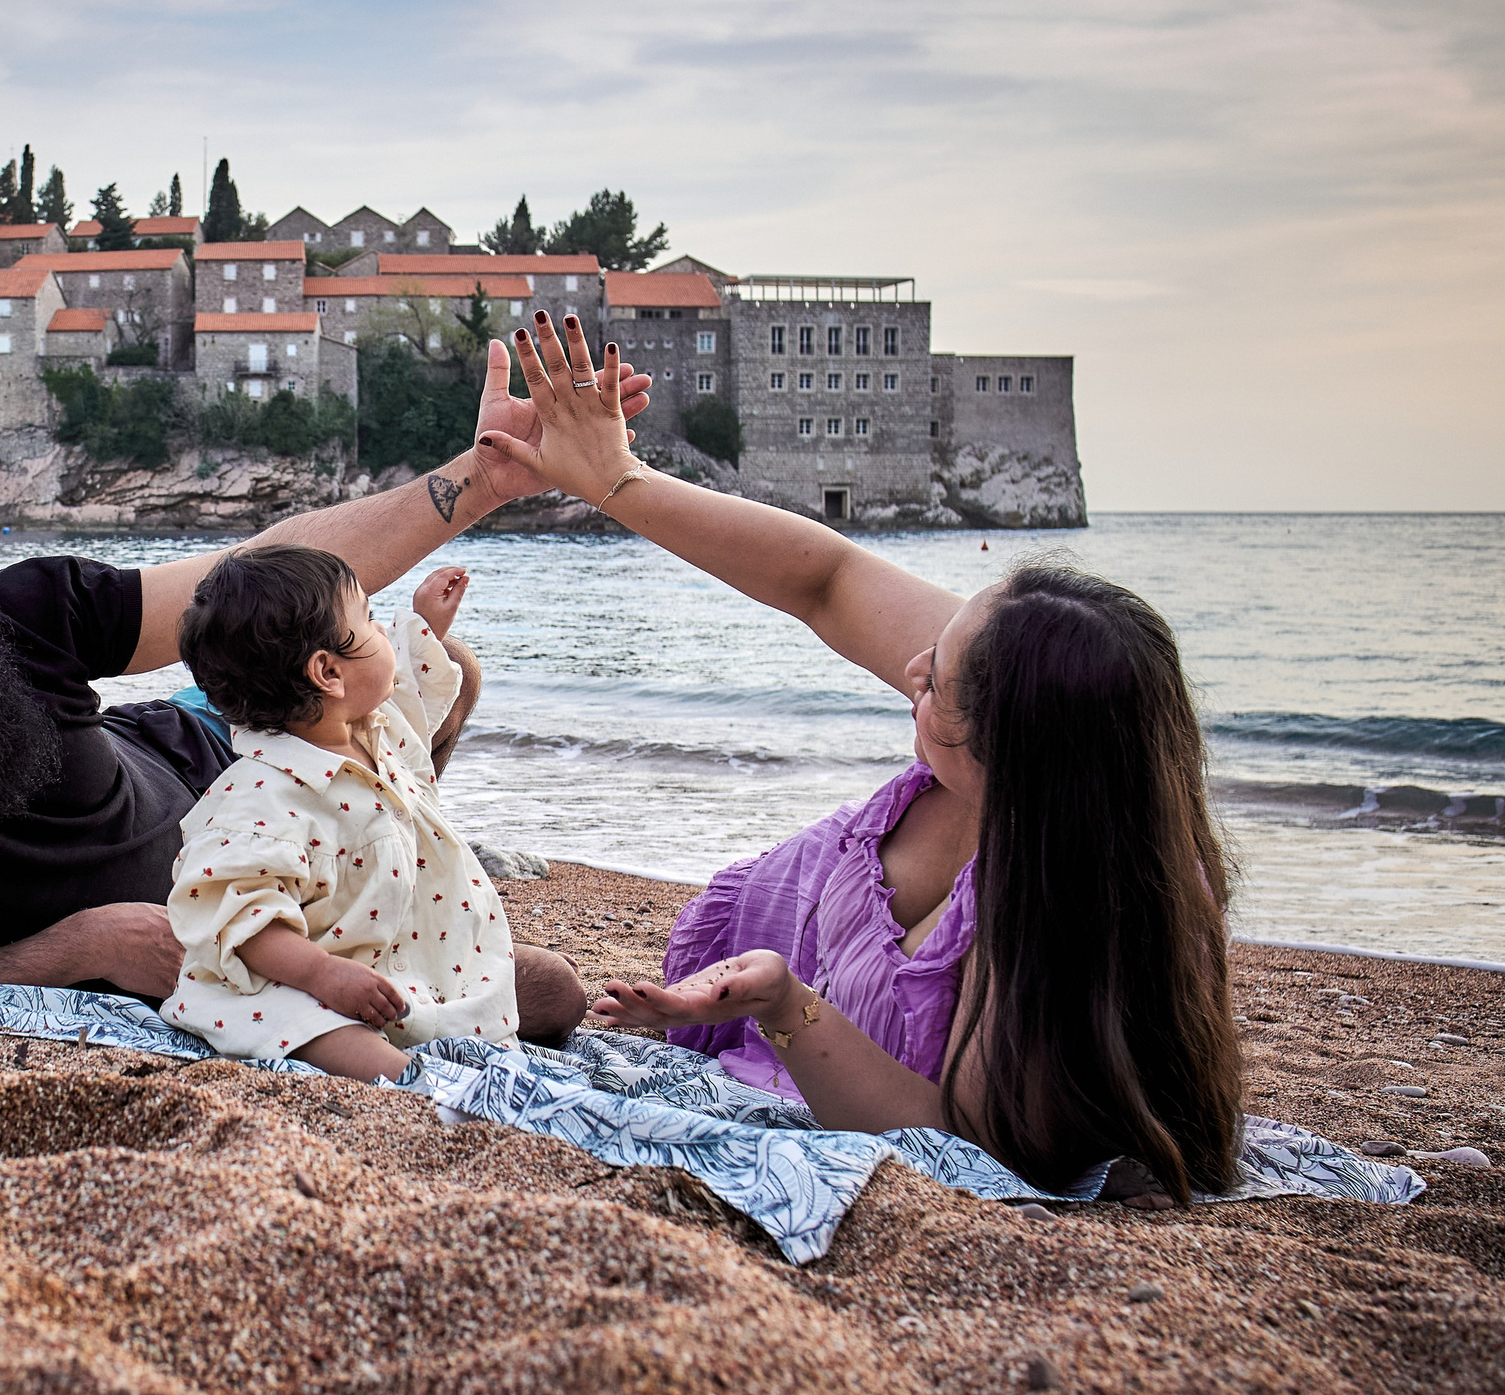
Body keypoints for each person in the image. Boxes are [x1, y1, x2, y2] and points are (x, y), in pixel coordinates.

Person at [476, 311, 1244, 1205]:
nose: (912, 669)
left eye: (936, 685)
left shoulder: (1085, 898)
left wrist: (783, 1003)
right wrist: (616, 480)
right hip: (719, 1001)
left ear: (1020, 752)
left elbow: (963, 1151)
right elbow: (826, 580)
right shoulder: (1031, 686)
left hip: (768, 1026)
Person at [0, 351, 648, 1003]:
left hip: (201, 748)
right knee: (547, 986)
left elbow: (249, 577)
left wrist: (475, 484)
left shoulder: (12, 610)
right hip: (242, 902)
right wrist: (76, 952)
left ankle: (394, 809)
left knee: (445, 676)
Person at [159, 548, 583, 1079]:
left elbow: (403, 688)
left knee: (557, 997)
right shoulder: (262, 796)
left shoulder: (373, 732)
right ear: (328, 673)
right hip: (300, 981)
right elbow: (242, 917)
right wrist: (322, 976)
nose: (383, 629)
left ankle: (430, 1050)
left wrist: (425, 622)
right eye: (369, 619)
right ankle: (414, 1086)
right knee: (332, 1036)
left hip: (409, 966)